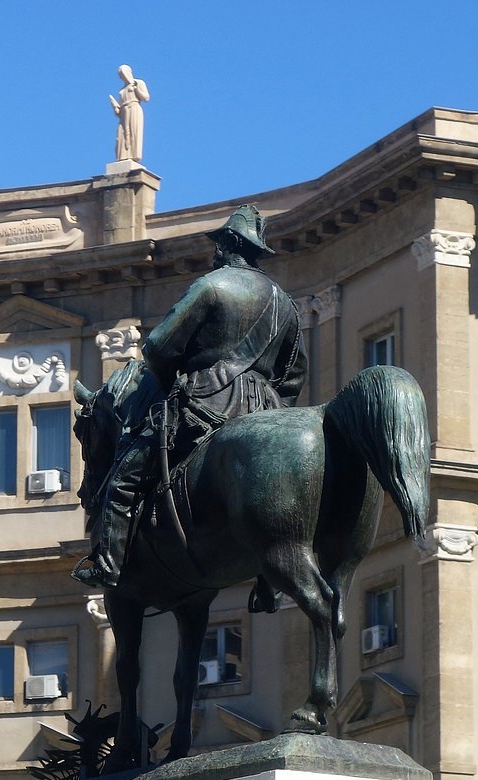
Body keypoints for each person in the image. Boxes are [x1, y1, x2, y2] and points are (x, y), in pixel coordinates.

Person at [72, 204, 306, 602]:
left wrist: (168, 390)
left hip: (206, 403)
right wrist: (271, 410)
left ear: (231, 244)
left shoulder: (211, 286)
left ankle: (107, 563)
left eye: (220, 243)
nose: (215, 251)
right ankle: (271, 584)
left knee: (124, 478)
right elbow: (295, 373)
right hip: (265, 409)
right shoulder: (285, 303)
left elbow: (159, 347)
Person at [110, 65, 150, 162]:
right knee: (121, 135)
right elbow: (118, 112)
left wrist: (136, 88)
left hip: (134, 108)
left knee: (133, 132)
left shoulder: (138, 82)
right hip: (124, 112)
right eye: (120, 75)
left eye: (123, 73)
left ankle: (132, 156)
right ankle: (122, 157)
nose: (122, 76)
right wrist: (115, 107)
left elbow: (146, 98)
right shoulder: (122, 90)